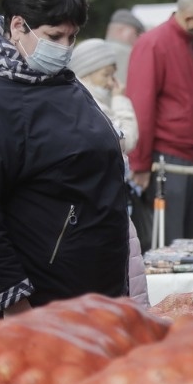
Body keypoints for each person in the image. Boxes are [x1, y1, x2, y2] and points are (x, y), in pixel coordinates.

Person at [0, 0, 130, 326]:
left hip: (86, 293)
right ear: (17, 27)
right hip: (37, 304)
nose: (65, 48)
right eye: (54, 36)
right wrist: (14, 302)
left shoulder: (53, 80)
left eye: (72, 37)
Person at [127, 0, 193, 246]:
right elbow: (141, 106)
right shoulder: (153, 43)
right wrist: (141, 164)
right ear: (189, 17)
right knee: (170, 244)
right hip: (168, 160)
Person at [69, 38, 149, 306]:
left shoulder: (92, 101)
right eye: (106, 74)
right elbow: (127, 138)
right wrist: (121, 100)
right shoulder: (94, 104)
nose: (112, 81)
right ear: (88, 72)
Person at [104, 8, 144, 88]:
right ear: (121, 30)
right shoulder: (126, 53)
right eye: (137, 33)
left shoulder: (92, 49)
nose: (139, 37)